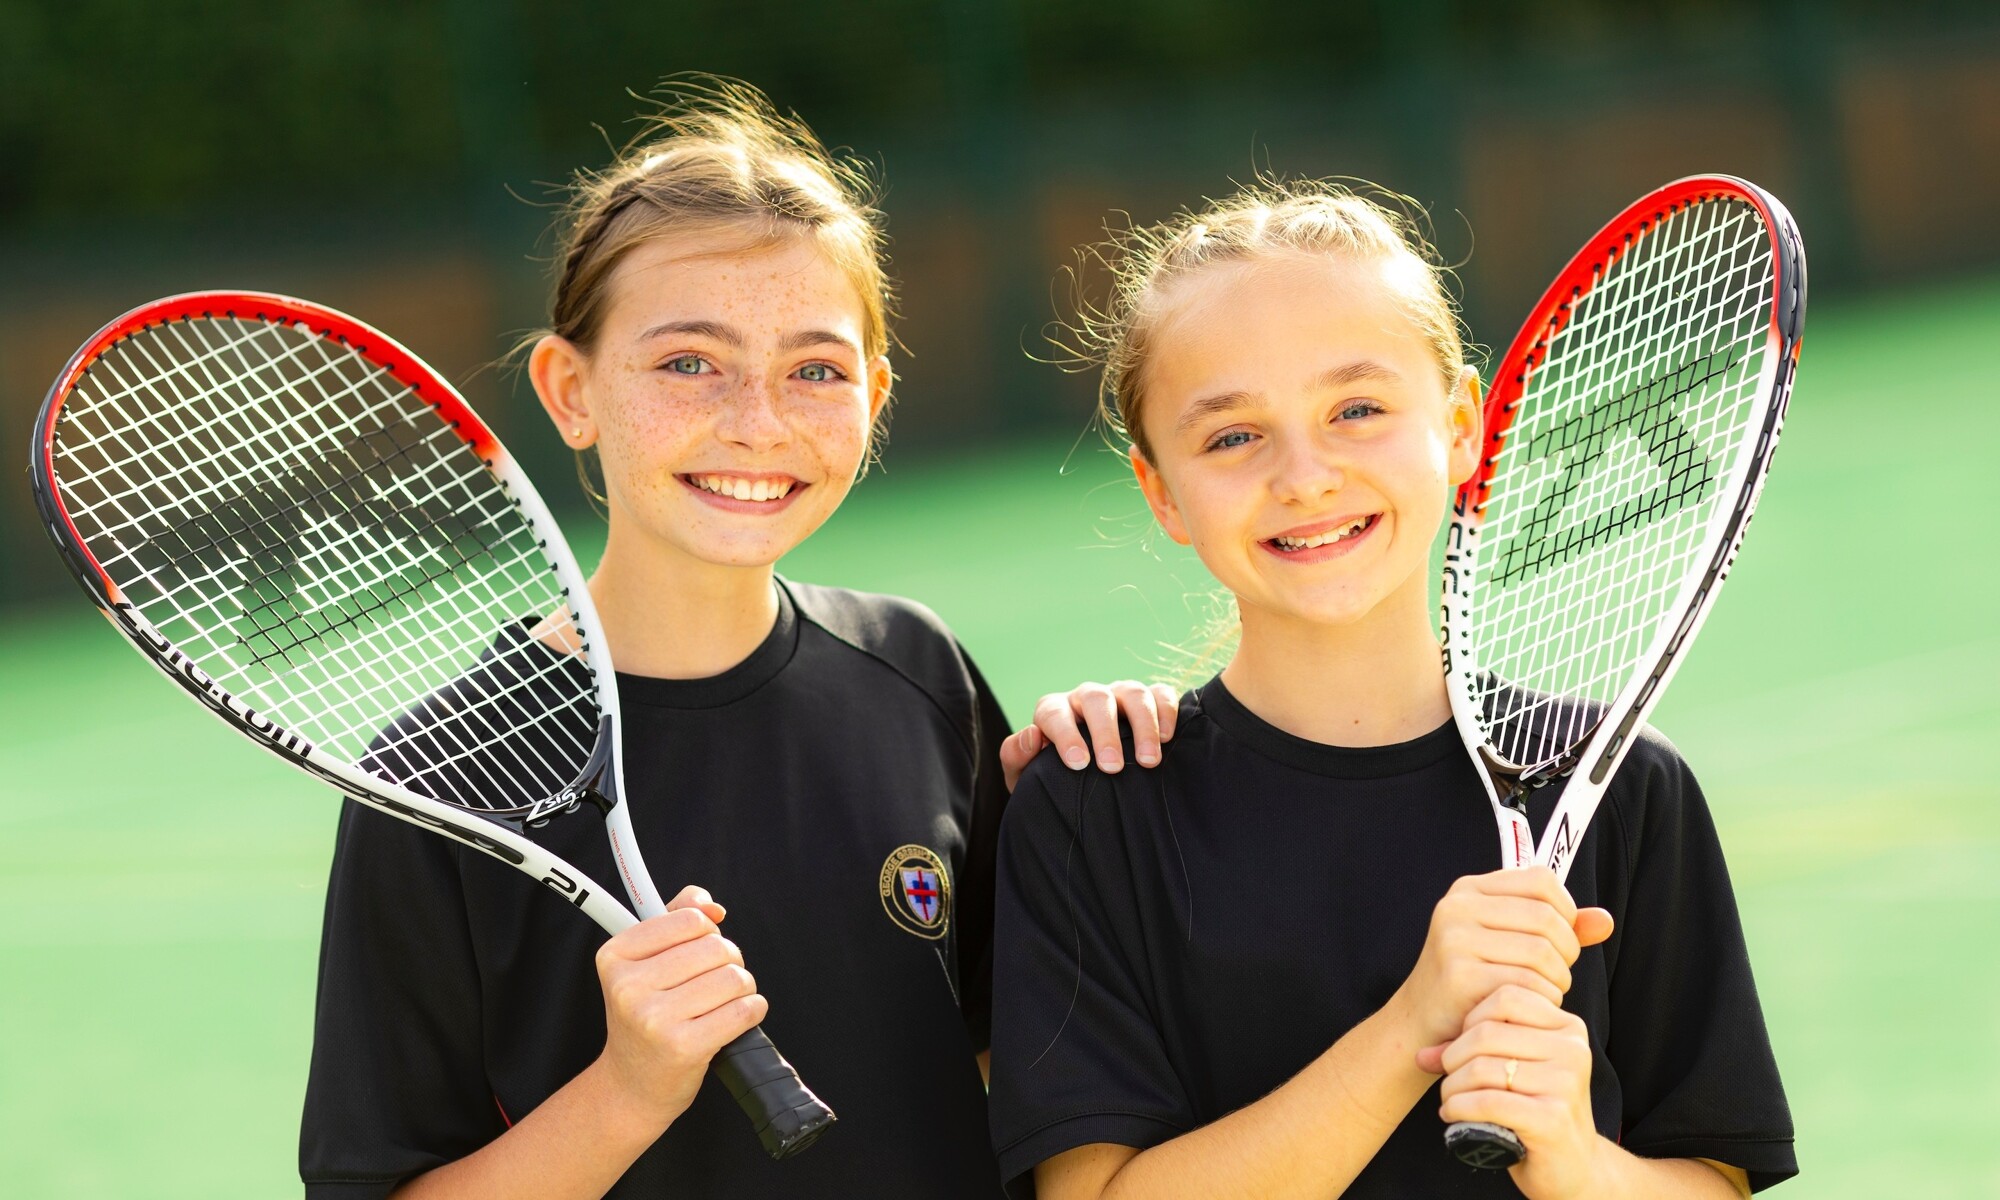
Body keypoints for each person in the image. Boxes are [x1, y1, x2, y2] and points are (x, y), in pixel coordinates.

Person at [298, 80, 1152, 1200]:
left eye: (815, 370)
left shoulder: (916, 668)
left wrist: (1102, 812)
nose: (757, 419)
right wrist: (627, 1091)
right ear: (571, 390)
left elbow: (1016, 1061)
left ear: (874, 394)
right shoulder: (439, 776)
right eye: (688, 362)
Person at [987, 182, 1797, 1199]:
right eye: (1231, 436)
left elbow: (1710, 1181)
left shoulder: (1620, 786)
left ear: (1463, 427)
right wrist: (1413, 1024)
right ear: (1162, 495)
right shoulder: (1092, 810)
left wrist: (1573, 1158)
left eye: (1356, 409)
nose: (1305, 475)